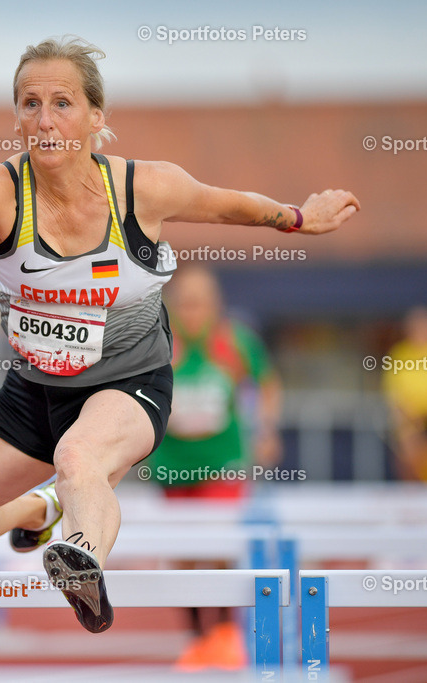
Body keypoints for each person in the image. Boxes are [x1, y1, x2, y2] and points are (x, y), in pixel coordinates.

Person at [0, 36, 359, 633]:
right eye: (30, 104)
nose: (45, 121)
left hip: (128, 382)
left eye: (62, 103)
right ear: (16, 117)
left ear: (97, 117)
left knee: (78, 456)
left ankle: (82, 560)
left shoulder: (144, 188)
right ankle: (40, 509)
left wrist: (300, 218)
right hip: (34, 391)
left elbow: (231, 207)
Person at [148, 265, 281, 669]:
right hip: (172, 465)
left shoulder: (235, 341)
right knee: (183, 553)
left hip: (224, 463)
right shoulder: (158, 342)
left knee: (220, 545)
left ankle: (224, 631)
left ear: (215, 304)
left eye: (200, 303)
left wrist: (266, 429)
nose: (192, 312)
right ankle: (196, 637)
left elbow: (268, 382)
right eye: (185, 303)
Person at [382, 306, 427, 482]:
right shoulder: (401, 354)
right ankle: (412, 492)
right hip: (411, 421)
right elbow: (394, 391)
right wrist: (410, 416)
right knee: (410, 456)